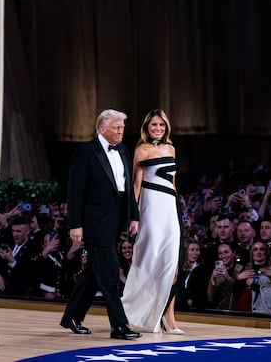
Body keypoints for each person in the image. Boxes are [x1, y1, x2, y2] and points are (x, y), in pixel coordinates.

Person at [60, 109, 142, 340]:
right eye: (117, 127)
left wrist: (133, 216)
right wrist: (75, 225)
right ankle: (119, 325)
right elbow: (75, 192)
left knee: (93, 273)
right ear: (102, 128)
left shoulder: (124, 150)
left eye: (122, 127)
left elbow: (127, 191)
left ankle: (72, 316)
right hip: (95, 223)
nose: (121, 131)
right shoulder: (85, 153)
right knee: (109, 274)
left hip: (115, 222)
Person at [122, 109, 183, 334]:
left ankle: (165, 316)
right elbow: (136, 186)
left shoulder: (171, 149)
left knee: (170, 261)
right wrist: (134, 217)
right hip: (150, 209)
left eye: (161, 125)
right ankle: (133, 312)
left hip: (169, 208)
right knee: (149, 259)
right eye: (153, 125)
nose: (157, 129)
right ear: (146, 128)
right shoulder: (141, 150)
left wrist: (177, 212)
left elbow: (173, 184)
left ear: (166, 127)